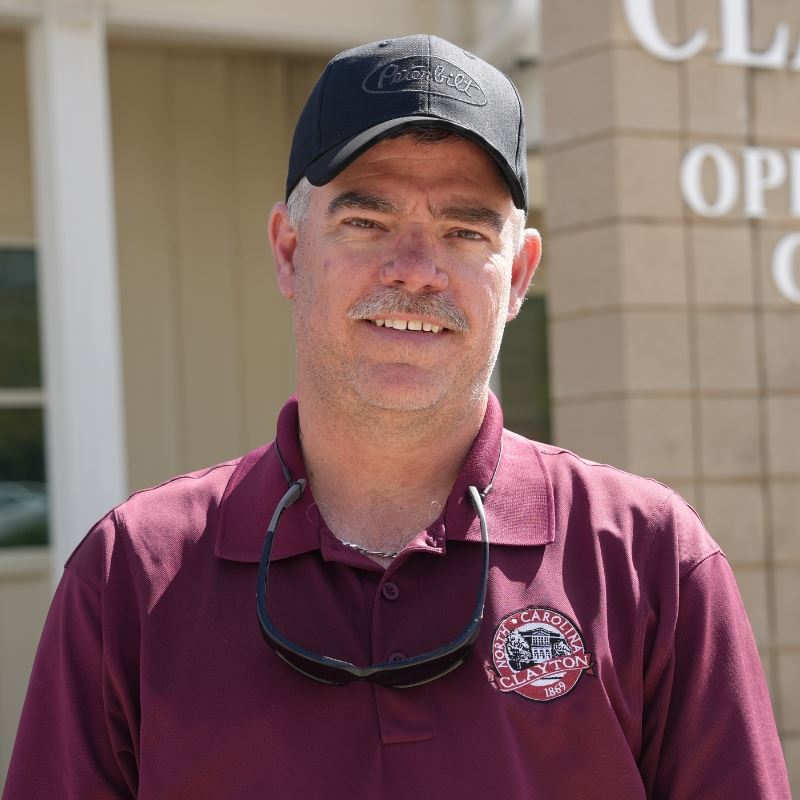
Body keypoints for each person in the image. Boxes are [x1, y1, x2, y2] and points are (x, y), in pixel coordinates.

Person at [3, 34, 791, 800]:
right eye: (366, 222)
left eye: (463, 231)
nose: (415, 270)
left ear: (517, 276)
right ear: (287, 249)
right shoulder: (132, 575)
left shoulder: (649, 558)